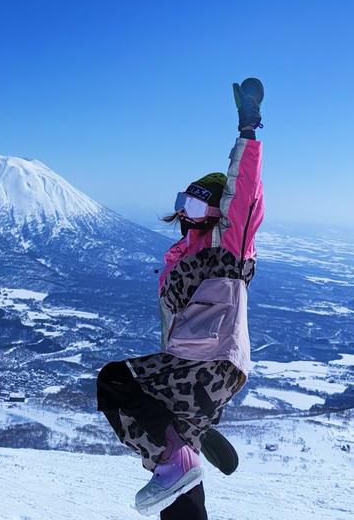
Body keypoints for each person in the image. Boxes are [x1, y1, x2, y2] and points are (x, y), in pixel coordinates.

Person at [96, 78, 265, 517]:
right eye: (182, 204)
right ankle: (189, 441)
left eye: (194, 206)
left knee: (116, 381)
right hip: (193, 363)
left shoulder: (227, 249)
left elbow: (242, 199)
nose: (183, 215)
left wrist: (247, 132)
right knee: (180, 492)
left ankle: (177, 454)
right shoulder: (179, 257)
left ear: (212, 211)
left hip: (210, 363)